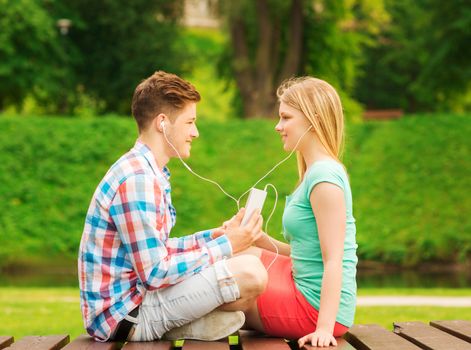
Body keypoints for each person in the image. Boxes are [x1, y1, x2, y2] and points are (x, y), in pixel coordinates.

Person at [78, 71, 267, 342]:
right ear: (163, 123)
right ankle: (176, 325)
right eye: (190, 122)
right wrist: (225, 247)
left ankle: (182, 325)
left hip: (141, 298)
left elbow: (157, 251)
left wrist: (214, 237)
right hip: (125, 315)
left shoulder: (147, 172)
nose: (195, 132)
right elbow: (155, 273)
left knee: (250, 254)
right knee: (251, 273)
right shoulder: (137, 180)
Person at [241, 76, 358, 347]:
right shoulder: (313, 173)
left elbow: (334, 259)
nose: (277, 126)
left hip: (314, 308)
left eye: (286, 117)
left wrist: (324, 329)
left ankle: (151, 315)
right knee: (236, 253)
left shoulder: (324, 178)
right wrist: (260, 241)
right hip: (299, 282)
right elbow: (307, 251)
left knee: (231, 276)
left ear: (312, 119)